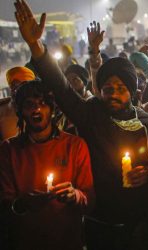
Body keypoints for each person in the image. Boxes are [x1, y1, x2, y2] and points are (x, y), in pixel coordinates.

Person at [14, 1, 148, 249]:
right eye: (107, 89)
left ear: (133, 93)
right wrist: (36, 46)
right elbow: (62, 89)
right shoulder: (91, 115)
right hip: (97, 222)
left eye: (121, 89)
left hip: (140, 224)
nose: (113, 94)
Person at [0, 80, 94, 250]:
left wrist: (75, 195)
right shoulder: (8, 150)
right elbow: (6, 205)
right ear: (20, 111)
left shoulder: (75, 146)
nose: (36, 109)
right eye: (29, 104)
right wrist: (24, 204)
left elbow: (89, 200)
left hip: (67, 242)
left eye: (42, 103)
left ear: (51, 109)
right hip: (25, 243)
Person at [0, 66, 35, 142]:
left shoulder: (41, 107)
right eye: (13, 86)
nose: (17, 90)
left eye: (22, 86)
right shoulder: (2, 109)